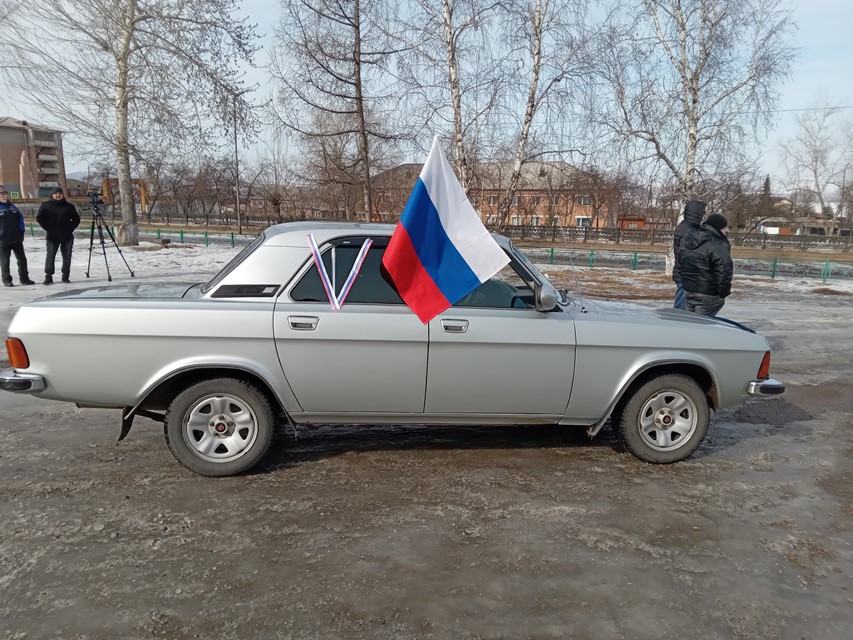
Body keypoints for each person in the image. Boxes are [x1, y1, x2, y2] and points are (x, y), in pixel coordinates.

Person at [679, 213, 733, 317]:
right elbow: (724, 270)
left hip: (688, 290)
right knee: (701, 324)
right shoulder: (718, 244)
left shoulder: (689, 239)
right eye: (725, 228)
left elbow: (681, 262)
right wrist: (723, 293)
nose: (726, 231)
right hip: (708, 293)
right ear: (720, 228)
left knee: (691, 322)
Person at [36, 186, 80, 284]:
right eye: (55, 193)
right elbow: (39, 218)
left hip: (67, 236)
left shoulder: (69, 206)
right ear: (52, 195)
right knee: (50, 256)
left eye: (60, 193)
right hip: (52, 237)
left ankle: (65, 276)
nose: (58, 195)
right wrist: (48, 228)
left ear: (62, 195)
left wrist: (70, 228)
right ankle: (48, 276)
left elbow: (76, 219)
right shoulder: (45, 205)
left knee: (67, 257)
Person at [672, 199, 706, 309]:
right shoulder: (688, 231)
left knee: (686, 309)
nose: (704, 216)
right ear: (696, 214)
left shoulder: (689, 228)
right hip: (687, 276)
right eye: (703, 213)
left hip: (688, 275)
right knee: (681, 310)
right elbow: (686, 254)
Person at [0, 186, 35, 287]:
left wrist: (21, 231)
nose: (4, 195)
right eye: (2, 193)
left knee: (22, 260)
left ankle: (24, 279)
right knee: (5, 261)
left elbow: (21, 220)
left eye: (5, 193)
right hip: (3, 239)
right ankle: (6, 280)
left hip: (16, 238)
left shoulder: (13, 207)